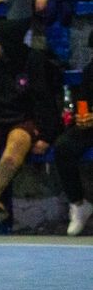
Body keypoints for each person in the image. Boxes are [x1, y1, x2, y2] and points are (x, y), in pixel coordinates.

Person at [0, 20, 60, 231]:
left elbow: (44, 99)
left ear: (7, 42)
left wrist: (46, 135)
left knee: (14, 146)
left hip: (24, 118)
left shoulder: (32, 60)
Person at [53, 30, 93, 235]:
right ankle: (79, 204)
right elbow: (84, 100)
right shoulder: (90, 71)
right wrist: (83, 116)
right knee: (63, 147)